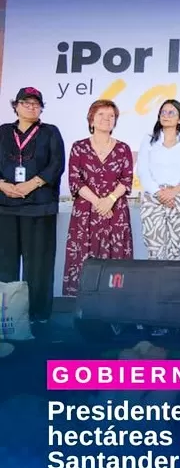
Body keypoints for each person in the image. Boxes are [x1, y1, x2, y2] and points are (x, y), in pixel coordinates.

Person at [0, 87, 65, 324]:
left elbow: (57, 164)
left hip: (39, 207)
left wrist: (31, 184)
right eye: (25, 103)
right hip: (5, 206)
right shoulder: (3, 131)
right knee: (4, 264)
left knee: (39, 265)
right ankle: (6, 316)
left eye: (36, 104)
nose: (31, 107)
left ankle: (37, 314)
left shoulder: (50, 132)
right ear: (15, 106)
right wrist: (2, 185)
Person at [62, 99, 133, 296]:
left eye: (111, 116)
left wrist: (110, 200)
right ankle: (82, 305)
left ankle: (114, 304)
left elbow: (127, 179)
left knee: (115, 261)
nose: (106, 119)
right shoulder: (79, 147)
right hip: (86, 213)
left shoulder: (123, 149)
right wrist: (98, 202)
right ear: (91, 119)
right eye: (101, 114)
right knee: (83, 260)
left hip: (115, 212)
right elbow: (75, 180)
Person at [137, 99, 180, 261]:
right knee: (154, 251)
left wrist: (173, 192)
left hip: (179, 197)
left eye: (171, 112)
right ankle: (155, 279)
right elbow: (142, 171)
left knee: (175, 251)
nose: (166, 115)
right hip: (153, 198)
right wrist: (160, 194)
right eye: (163, 112)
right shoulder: (149, 140)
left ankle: (173, 279)